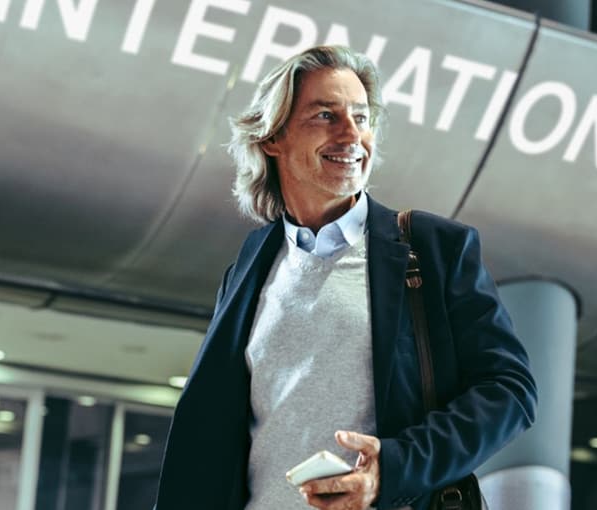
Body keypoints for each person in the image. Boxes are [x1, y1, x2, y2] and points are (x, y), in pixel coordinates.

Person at [154, 45, 537, 510]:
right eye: (325, 116)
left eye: (361, 116)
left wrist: (392, 469)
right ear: (272, 137)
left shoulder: (434, 249)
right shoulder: (250, 266)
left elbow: (509, 391)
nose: (352, 134)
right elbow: (214, 432)